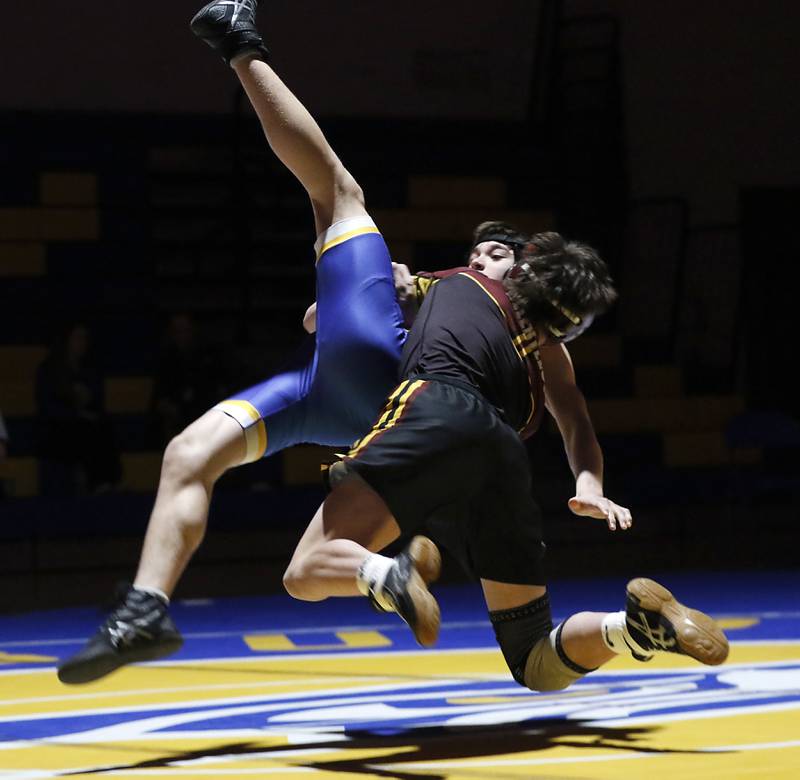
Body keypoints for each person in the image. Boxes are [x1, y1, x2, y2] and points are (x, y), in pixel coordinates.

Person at [56, 0, 513, 684]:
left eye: (500, 252)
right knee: (191, 456)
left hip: (380, 380)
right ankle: (148, 609)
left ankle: (240, 41)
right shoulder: (479, 313)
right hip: (347, 402)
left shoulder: (483, 300)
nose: (486, 255)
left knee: (337, 191)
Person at [35, 322, 122, 495]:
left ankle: (105, 484)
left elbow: (98, 405)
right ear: (66, 340)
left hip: (87, 427)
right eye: (78, 338)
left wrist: (86, 401)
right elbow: (46, 408)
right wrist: (74, 411)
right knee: (84, 431)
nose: (82, 343)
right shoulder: (48, 370)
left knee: (102, 429)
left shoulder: (90, 370)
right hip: (58, 430)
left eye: (85, 338)